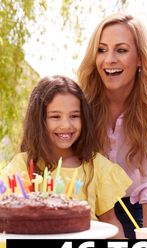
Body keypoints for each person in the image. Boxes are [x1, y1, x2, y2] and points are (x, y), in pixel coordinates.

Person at [78, 14, 147, 238]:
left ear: (140, 58)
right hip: (88, 209)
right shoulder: (81, 98)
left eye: (121, 50)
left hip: (133, 206)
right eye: (101, 50)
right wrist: (113, 226)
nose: (109, 59)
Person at [2, 75, 132, 238]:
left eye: (74, 116)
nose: (66, 125)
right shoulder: (23, 165)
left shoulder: (96, 166)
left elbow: (110, 221)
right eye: (55, 116)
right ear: (39, 120)